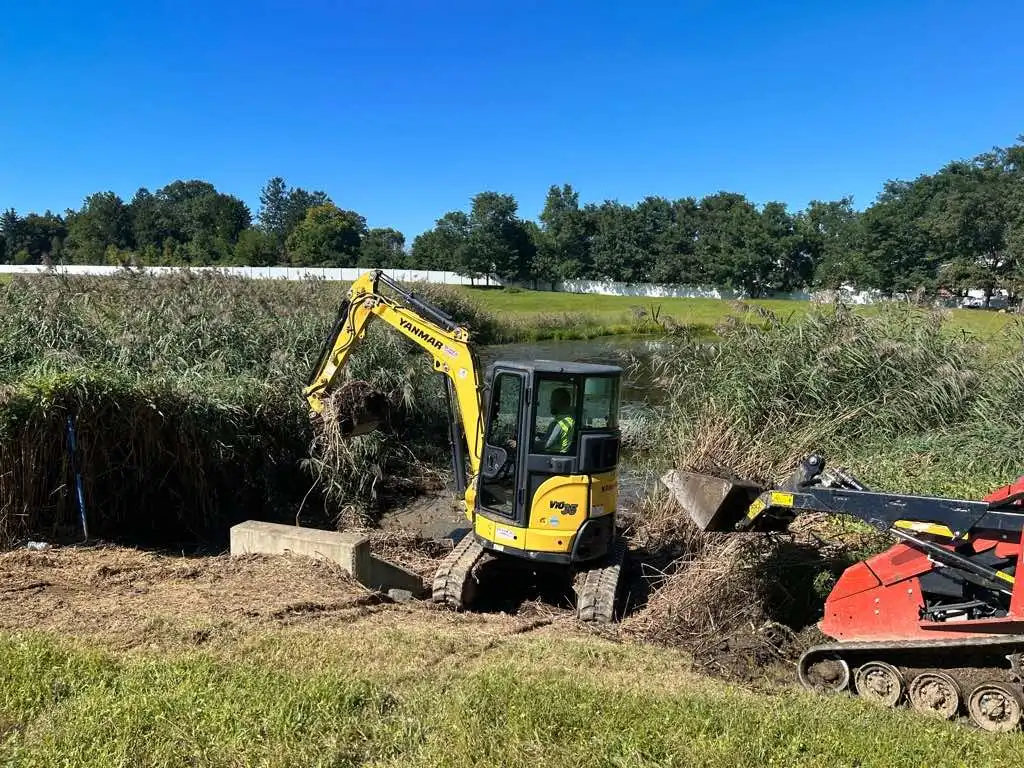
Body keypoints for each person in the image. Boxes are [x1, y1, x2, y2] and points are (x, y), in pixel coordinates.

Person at [543, 387, 575, 453]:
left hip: (557, 455)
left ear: (560, 402)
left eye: (552, 400)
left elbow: (546, 444)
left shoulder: (560, 423)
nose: (550, 403)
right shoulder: (571, 420)